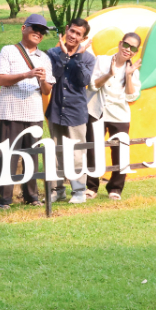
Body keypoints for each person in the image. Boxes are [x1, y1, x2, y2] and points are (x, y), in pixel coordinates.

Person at [0, 14, 55, 209]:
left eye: (42, 31)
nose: (38, 33)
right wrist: (26, 74)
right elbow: (1, 79)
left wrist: (42, 80)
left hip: (34, 114)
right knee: (7, 156)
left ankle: (32, 196)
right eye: (35, 28)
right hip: (10, 112)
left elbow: (47, 91)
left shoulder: (44, 58)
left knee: (31, 156)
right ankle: (4, 199)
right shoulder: (9, 51)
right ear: (23, 28)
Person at [45, 18, 96, 204]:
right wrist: (65, 57)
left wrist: (78, 57)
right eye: (72, 31)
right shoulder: (52, 53)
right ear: (66, 29)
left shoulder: (88, 58)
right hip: (56, 109)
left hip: (76, 112)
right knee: (55, 152)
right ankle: (57, 190)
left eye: (78, 34)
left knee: (76, 152)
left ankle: (79, 190)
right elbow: (54, 76)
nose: (73, 36)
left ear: (84, 38)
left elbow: (83, 81)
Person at [86, 32, 142, 200]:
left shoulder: (133, 71)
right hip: (96, 111)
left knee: (120, 152)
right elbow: (93, 86)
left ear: (136, 52)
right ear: (120, 44)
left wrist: (129, 75)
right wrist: (109, 74)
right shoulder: (102, 61)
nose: (128, 49)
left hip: (119, 115)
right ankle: (91, 187)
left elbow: (131, 97)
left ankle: (115, 188)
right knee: (93, 150)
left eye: (133, 48)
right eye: (126, 45)